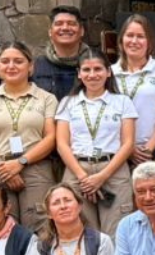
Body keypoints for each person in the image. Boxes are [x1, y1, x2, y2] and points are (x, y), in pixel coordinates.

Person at [0, 40, 59, 234]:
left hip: (36, 169)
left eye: (18, 61)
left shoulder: (47, 99)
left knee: (41, 227)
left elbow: (51, 138)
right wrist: (4, 168)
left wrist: (21, 162)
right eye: (5, 61)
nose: (11, 66)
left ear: (30, 66)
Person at [53, 51, 137, 235]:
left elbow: (128, 143)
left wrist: (102, 176)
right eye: (86, 70)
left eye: (98, 69)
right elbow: (62, 144)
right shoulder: (68, 103)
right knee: (83, 231)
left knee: (116, 231)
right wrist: (83, 178)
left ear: (108, 72)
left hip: (113, 169)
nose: (92, 75)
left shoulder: (122, 101)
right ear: (79, 74)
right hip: (77, 170)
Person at [111, 13, 155, 182]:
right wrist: (129, 149)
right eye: (129, 35)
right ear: (121, 40)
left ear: (149, 41)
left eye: (140, 36)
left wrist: (148, 149)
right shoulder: (109, 73)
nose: (134, 41)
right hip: (118, 152)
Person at [31, 5, 87, 100]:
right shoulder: (36, 66)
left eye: (71, 23)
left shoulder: (95, 64)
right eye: (59, 24)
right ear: (50, 32)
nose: (65, 28)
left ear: (81, 31)